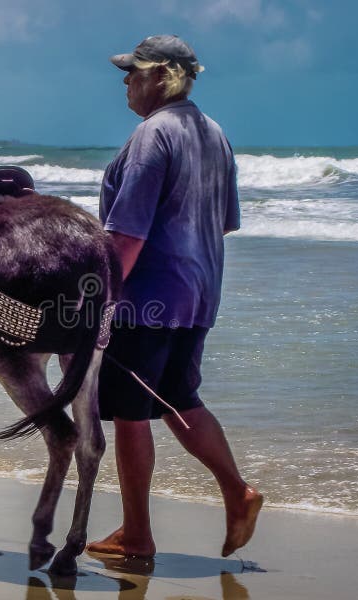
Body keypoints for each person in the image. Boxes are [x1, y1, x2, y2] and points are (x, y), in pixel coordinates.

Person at [88, 34, 263, 558]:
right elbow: (224, 224)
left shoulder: (152, 134)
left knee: (130, 411)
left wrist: (101, 300)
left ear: (161, 77)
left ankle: (137, 534)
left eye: (133, 72)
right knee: (179, 400)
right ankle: (238, 491)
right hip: (199, 294)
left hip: (147, 299)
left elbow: (127, 235)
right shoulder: (214, 133)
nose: (125, 81)